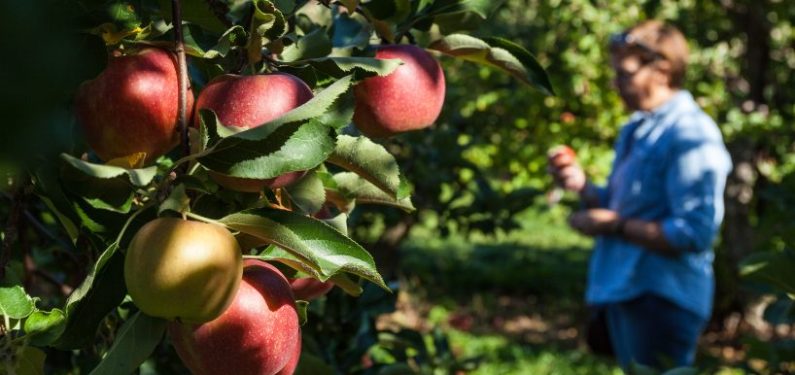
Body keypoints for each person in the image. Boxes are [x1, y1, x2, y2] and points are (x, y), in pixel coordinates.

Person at [548, 21, 733, 370]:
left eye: (625, 74)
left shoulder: (690, 134)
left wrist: (615, 225)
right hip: (628, 288)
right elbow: (627, 204)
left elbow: (695, 232)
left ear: (661, 72)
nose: (615, 84)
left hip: (662, 296)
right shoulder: (637, 128)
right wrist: (584, 187)